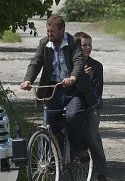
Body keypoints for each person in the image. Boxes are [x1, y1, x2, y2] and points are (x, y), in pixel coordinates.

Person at [20, 15, 97, 167]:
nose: (49, 34)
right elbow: (36, 63)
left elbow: (78, 61)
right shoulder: (44, 43)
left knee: (73, 116)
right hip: (53, 89)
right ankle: (53, 158)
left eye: (52, 32)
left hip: (74, 90)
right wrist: (28, 80)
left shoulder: (73, 42)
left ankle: (80, 148)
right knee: (50, 124)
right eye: (48, 31)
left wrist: (73, 77)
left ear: (62, 30)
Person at [75, 31, 108, 181]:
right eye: (84, 45)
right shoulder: (71, 64)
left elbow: (96, 94)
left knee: (91, 133)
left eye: (89, 45)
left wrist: (87, 79)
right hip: (74, 103)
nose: (87, 48)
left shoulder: (96, 66)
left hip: (92, 106)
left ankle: (101, 171)